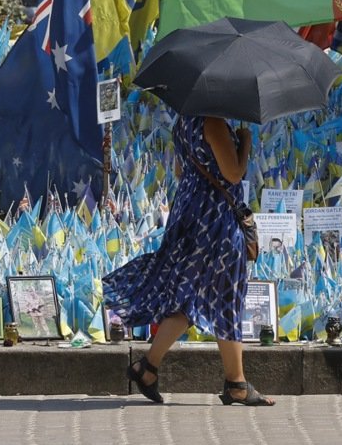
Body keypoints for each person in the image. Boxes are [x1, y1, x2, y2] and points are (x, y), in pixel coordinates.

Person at [103, 114, 274, 407]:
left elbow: (181, 169)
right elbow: (234, 174)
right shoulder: (213, 123)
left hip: (190, 210)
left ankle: (150, 368)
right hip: (215, 220)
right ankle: (235, 383)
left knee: (191, 295)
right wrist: (244, 144)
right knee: (226, 292)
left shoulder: (184, 122)